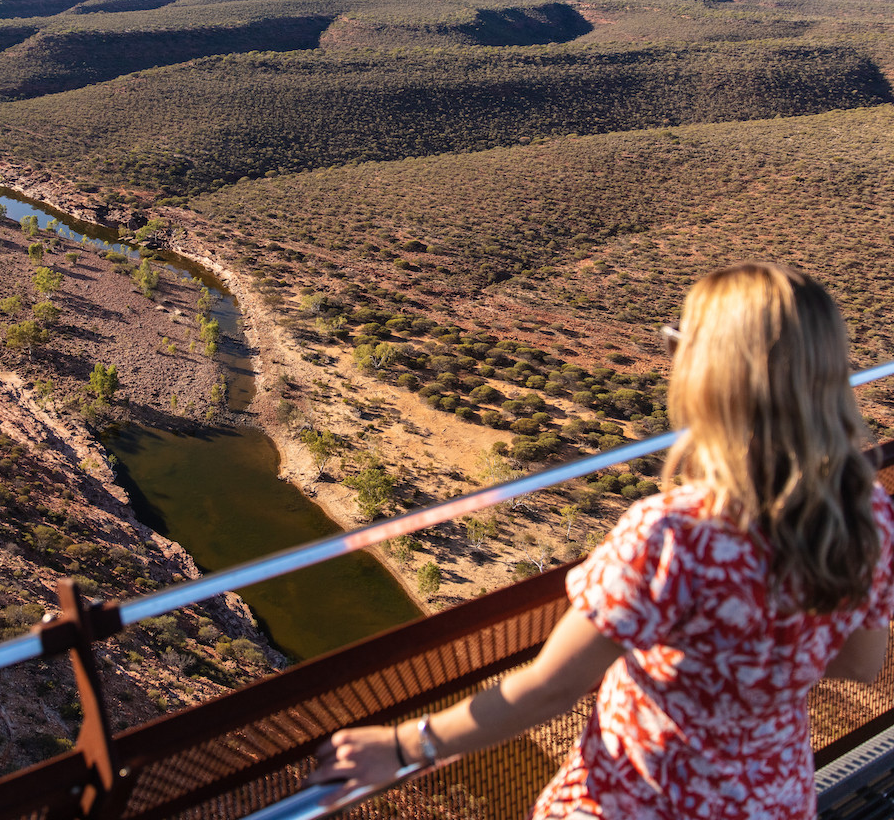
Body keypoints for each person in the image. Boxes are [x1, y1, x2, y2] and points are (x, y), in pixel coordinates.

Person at [310, 263, 894, 819]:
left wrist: (405, 747)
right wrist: (755, 662)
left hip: (638, 800)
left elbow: (550, 689)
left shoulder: (673, 534)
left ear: (710, 374)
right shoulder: (866, 511)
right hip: (775, 799)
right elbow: (862, 664)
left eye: (676, 345)